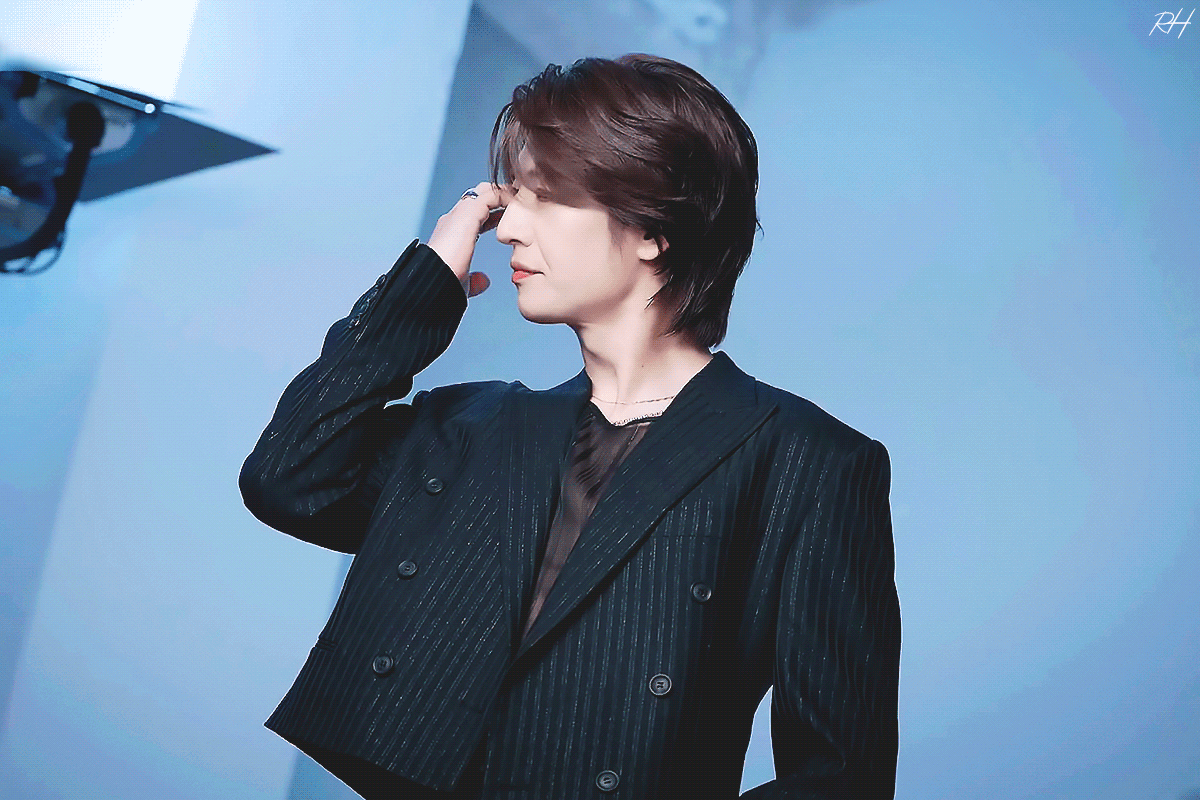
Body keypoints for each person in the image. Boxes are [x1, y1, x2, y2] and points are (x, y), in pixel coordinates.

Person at [240, 53, 900, 800]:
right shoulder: (475, 428)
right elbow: (289, 479)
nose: (507, 229)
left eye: (545, 197)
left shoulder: (806, 463)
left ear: (653, 229)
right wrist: (420, 290)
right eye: (510, 197)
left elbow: (841, 777)